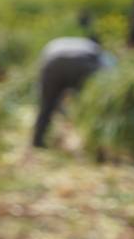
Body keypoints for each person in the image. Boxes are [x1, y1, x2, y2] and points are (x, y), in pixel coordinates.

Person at [32, 14, 114, 148]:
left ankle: (37, 141)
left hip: (53, 63)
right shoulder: (96, 48)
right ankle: (93, 143)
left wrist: (55, 103)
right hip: (82, 64)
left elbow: (42, 74)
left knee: (46, 105)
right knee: (89, 103)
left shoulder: (57, 43)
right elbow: (108, 70)